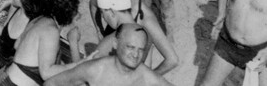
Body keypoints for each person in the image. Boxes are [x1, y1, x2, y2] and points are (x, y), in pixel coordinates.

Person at [42, 23, 175, 86]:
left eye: (141, 49)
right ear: (116, 44)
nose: (136, 54)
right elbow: (52, 83)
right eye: (130, 47)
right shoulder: (96, 69)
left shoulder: (147, 77)